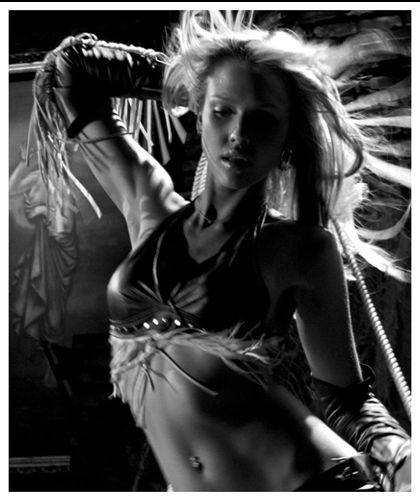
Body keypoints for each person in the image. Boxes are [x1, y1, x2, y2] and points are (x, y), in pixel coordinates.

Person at [31, 11, 411, 491]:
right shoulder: (148, 205)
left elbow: (346, 397)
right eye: (222, 111)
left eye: (263, 118)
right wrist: (196, 76)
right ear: (198, 110)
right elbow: (72, 69)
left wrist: (400, 456)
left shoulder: (299, 248)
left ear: (287, 139)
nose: (239, 134)